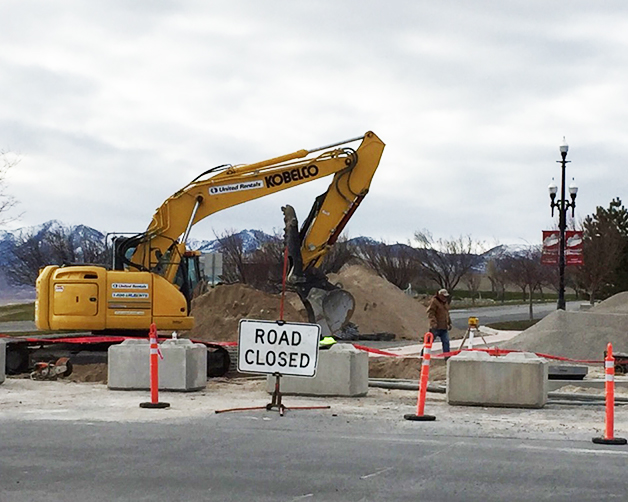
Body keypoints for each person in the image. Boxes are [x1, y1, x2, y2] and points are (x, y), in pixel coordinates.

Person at [426, 288, 452, 356]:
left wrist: (449, 323)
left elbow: (447, 314)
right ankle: (423, 355)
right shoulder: (434, 301)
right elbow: (430, 313)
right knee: (429, 343)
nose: (445, 298)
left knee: (446, 342)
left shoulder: (445, 303)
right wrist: (433, 323)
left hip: (444, 327)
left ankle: (447, 357)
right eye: (444, 296)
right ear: (440, 295)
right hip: (436, 327)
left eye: (446, 296)